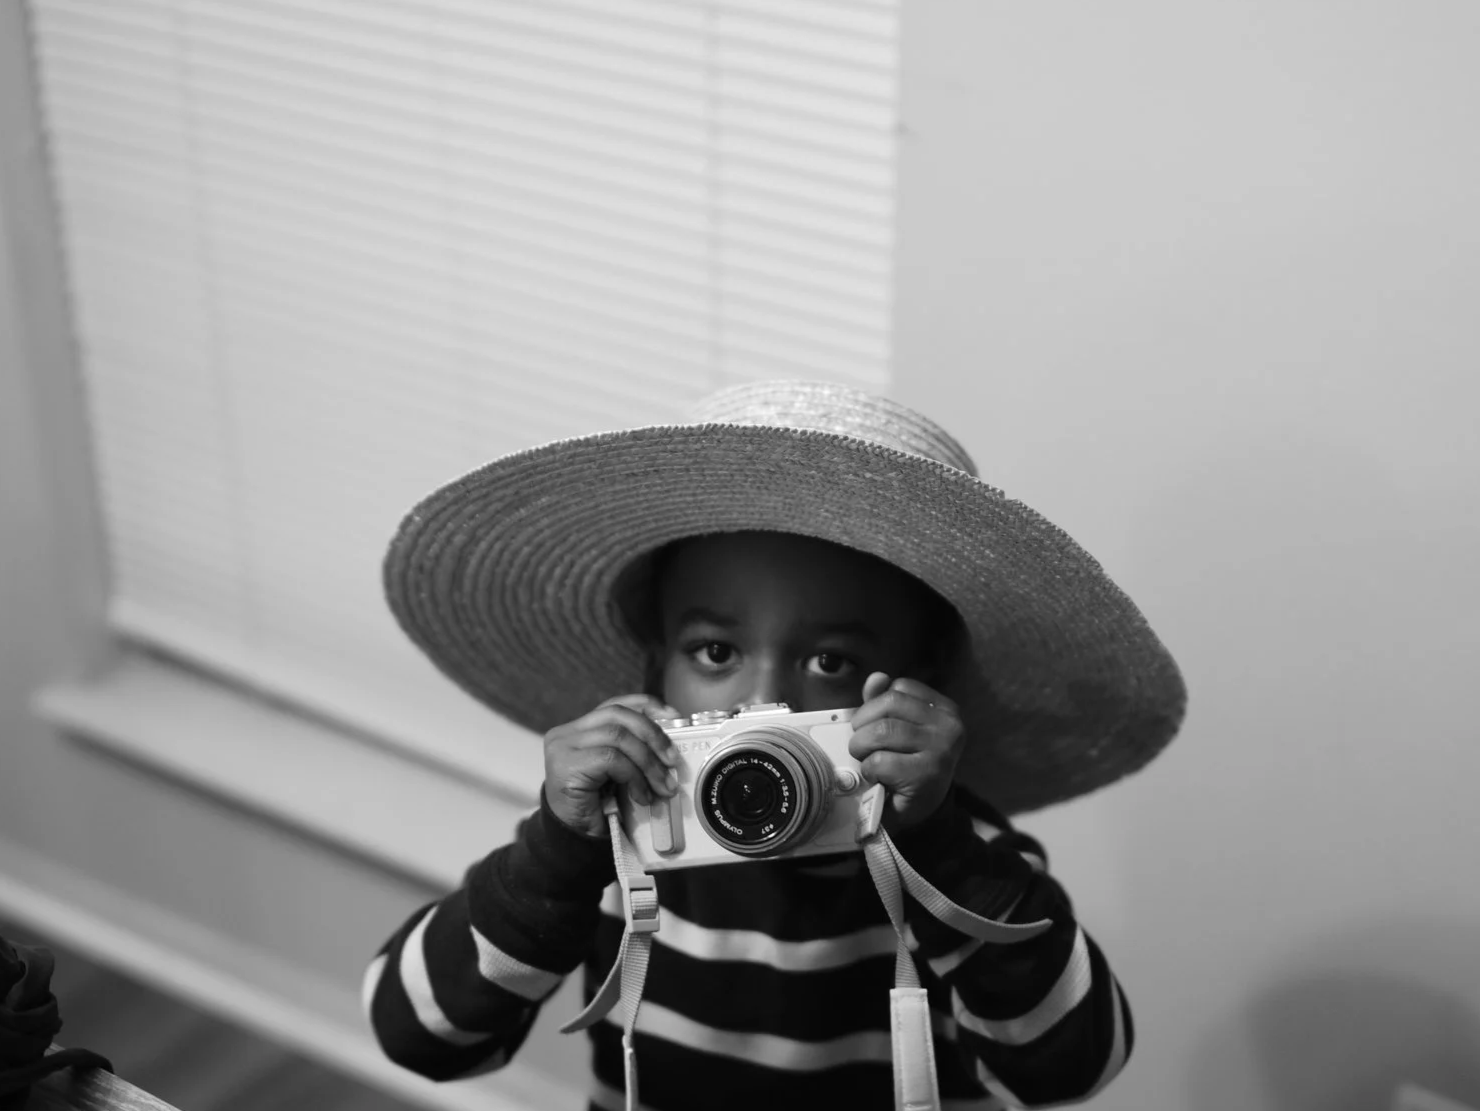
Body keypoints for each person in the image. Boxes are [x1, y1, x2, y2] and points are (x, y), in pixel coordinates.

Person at [363, 380, 1186, 1109]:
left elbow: (1072, 1069)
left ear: (920, 686)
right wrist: (556, 850)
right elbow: (420, 1037)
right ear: (656, 669)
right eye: (715, 652)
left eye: (832, 662)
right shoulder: (616, 844)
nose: (762, 705)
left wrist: (939, 851)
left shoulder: (960, 861)